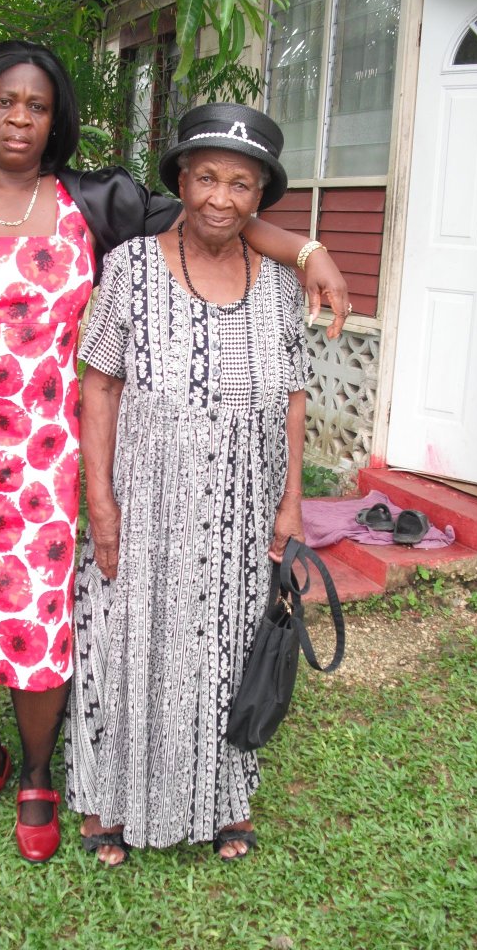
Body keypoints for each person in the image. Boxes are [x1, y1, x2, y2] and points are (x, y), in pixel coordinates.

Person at [0, 42, 347, 864]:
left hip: (50, 463)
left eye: (37, 105)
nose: (19, 119)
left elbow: (215, 209)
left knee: (44, 622)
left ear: (58, 119)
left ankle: (39, 773)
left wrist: (304, 250)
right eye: (3, 102)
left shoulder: (96, 200)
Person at [66, 102, 318, 865]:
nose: (220, 198)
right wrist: (101, 500)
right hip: (146, 496)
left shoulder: (278, 287)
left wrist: (291, 502)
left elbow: (293, 397)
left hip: (245, 503)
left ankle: (222, 801)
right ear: (180, 181)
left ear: (259, 197)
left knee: (227, 645)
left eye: (241, 184)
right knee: (126, 640)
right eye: (206, 177)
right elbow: (99, 384)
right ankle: (110, 803)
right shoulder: (131, 267)